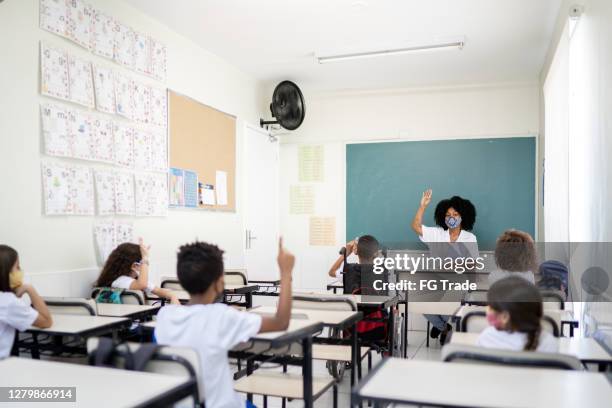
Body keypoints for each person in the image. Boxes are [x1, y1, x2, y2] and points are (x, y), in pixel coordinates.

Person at [155, 238, 294, 408]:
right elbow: (281, 322)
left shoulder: (164, 316)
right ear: (220, 282)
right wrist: (286, 273)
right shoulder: (222, 317)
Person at [411, 189, 478, 344]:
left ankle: (440, 324)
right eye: (448, 215)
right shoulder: (437, 233)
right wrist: (422, 206)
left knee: (454, 298)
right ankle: (443, 327)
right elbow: (416, 226)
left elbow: (472, 264)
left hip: (457, 283)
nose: (451, 218)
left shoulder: (469, 238)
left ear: (463, 216)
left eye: (455, 215)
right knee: (416, 299)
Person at [478, 276, 557, 352]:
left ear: (505, 317)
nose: (487, 309)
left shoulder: (487, 337)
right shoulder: (548, 343)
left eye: (491, 307)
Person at [0, 245, 52, 359]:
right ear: (5, 271)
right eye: (17, 267)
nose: (20, 271)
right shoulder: (8, 302)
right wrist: (30, 289)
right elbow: (46, 321)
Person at [94, 239, 180, 305]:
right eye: (142, 264)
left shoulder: (136, 280)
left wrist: (172, 295)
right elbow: (142, 285)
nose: (144, 266)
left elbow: (157, 290)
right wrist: (145, 258)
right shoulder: (119, 281)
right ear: (134, 266)